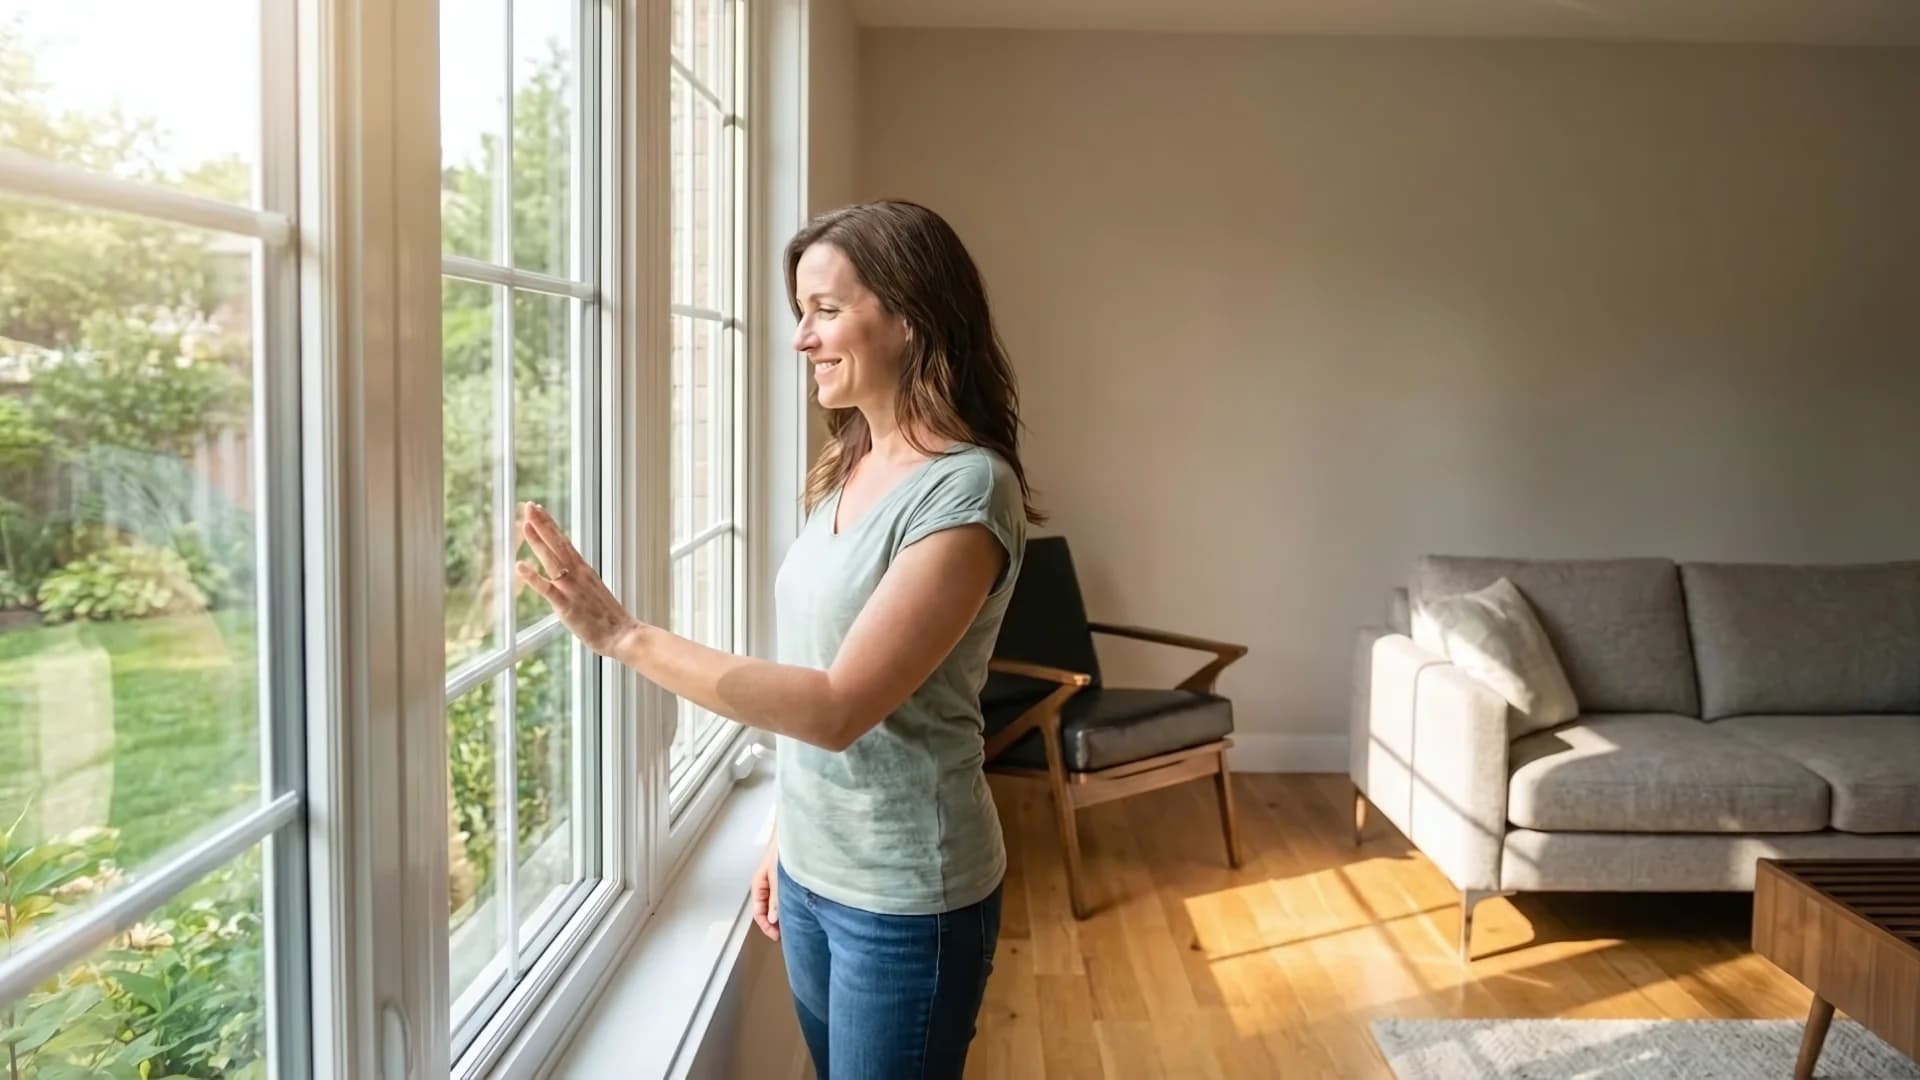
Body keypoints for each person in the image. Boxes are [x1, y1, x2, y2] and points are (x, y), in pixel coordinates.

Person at [516, 199, 1042, 1079]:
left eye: (826, 310)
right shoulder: (848, 466)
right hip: (809, 875)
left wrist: (625, 637)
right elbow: (812, 669)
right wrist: (782, 837)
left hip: (907, 896)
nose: (802, 339)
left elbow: (838, 709)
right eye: (801, 312)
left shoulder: (967, 493)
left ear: (911, 318)